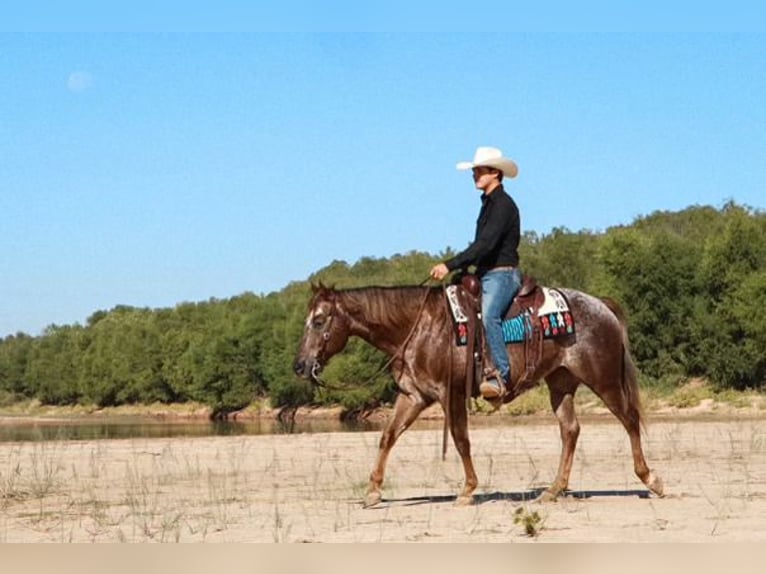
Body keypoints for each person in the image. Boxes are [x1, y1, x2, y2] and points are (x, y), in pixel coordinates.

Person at [430, 146, 522, 400]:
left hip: (502, 274)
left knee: (489, 314)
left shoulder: (503, 205)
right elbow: (481, 248)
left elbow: (485, 245)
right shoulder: (488, 205)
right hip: (486, 273)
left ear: (495, 173)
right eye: (474, 171)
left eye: (479, 170)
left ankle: (501, 376)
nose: (474, 174)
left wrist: (450, 265)